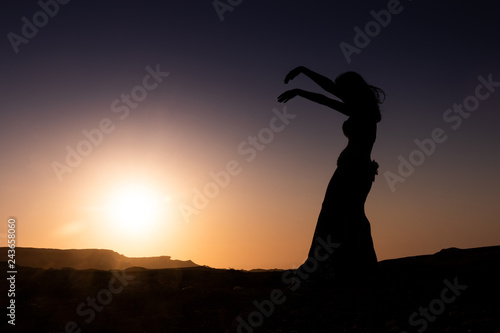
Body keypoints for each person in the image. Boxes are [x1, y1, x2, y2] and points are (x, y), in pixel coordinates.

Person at [278, 67, 384, 282]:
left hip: (353, 170)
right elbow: (324, 99)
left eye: (343, 89)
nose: (339, 92)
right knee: (346, 215)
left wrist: (303, 72)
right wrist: (301, 91)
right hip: (355, 169)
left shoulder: (365, 111)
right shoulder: (358, 110)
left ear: (352, 90)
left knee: (336, 215)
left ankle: (336, 269)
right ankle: (351, 268)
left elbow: (328, 89)